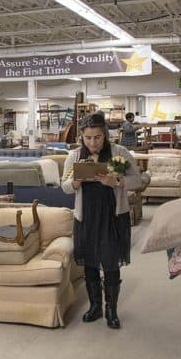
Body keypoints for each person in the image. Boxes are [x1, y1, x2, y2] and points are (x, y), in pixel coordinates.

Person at [61, 112, 142, 329]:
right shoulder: (75, 156)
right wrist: (75, 183)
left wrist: (116, 180)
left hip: (112, 218)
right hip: (86, 218)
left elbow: (141, 179)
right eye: (88, 138)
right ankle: (95, 306)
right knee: (89, 263)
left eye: (97, 137)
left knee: (110, 263)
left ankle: (111, 310)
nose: (93, 142)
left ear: (105, 135)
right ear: (82, 137)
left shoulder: (120, 152)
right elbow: (64, 185)